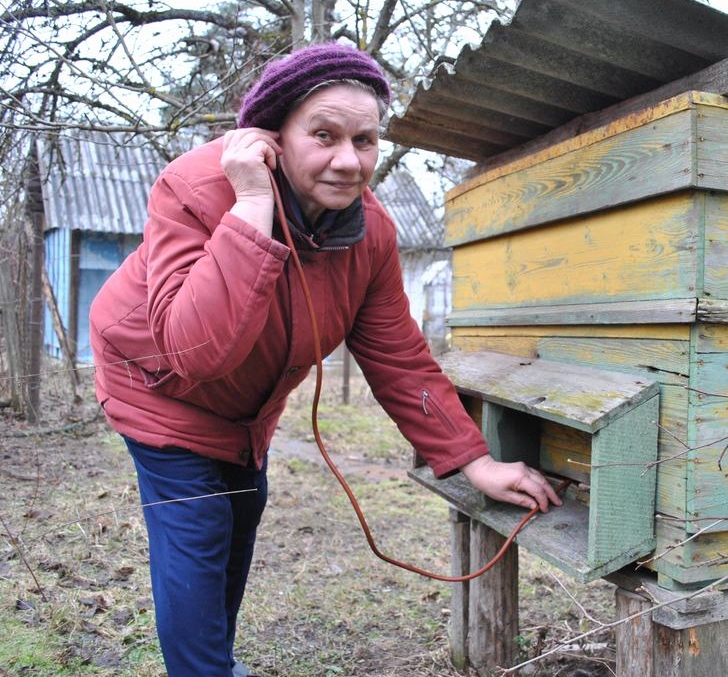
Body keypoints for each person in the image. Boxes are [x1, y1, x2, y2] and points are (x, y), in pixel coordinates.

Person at [89, 42, 561, 677]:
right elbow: (195, 350)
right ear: (272, 136)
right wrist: (252, 206)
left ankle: (212, 662)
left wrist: (473, 461)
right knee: (199, 531)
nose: (348, 160)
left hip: (248, 408)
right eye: (324, 135)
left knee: (239, 514)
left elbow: (398, 354)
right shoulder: (194, 190)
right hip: (160, 387)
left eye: (364, 140)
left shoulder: (369, 232)